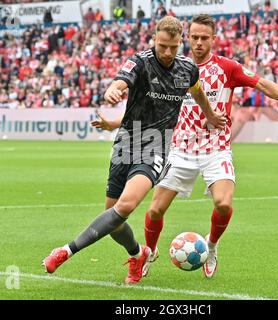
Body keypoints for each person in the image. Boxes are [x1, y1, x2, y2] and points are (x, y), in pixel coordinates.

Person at [42, 16, 225, 285]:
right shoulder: (140, 62)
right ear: (154, 39)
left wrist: (208, 113)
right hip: (126, 143)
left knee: (125, 206)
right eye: (162, 46)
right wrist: (112, 92)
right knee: (114, 220)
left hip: (157, 145)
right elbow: (119, 82)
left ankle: (65, 251)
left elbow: (197, 91)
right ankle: (138, 254)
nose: (167, 52)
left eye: (173, 47)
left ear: (180, 43)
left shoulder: (187, 69)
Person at [140, 14, 278, 278]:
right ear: (187, 38)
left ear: (214, 39)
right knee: (155, 209)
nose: (199, 43)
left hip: (216, 149)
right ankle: (150, 251)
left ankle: (211, 246)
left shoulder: (227, 68)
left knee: (224, 204)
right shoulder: (174, 67)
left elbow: (262, 84)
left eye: (204, 38)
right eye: (195, 37)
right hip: (181, 150)